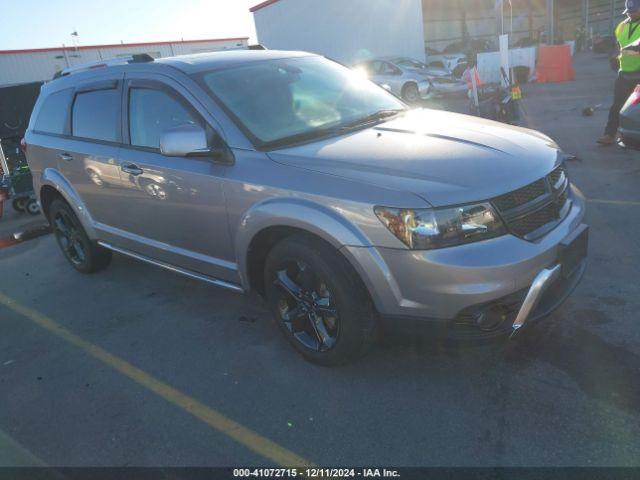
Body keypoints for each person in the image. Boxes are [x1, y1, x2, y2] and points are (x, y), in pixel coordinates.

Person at [598, 0, 640, 145]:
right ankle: (609, 134)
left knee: (636, 108)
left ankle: (632, 135)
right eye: (629, 11)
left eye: (634, 11)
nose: (631, 14)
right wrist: (613, 56)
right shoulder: (622, 26)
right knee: (618, 105)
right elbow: (618, 45)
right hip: (624, 72)